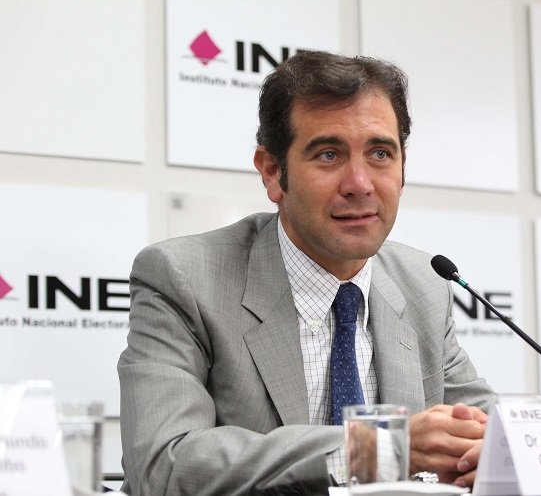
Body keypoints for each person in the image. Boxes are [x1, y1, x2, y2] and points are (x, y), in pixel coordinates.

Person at [118, 51, 494, 496]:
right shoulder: (184, 278)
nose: (360, 184)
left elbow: (488, 430)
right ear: (272, 172)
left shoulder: (423, 284)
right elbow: (164, 464)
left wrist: (497, 451)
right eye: (329, 154)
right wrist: (382, 447)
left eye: (380, 153)